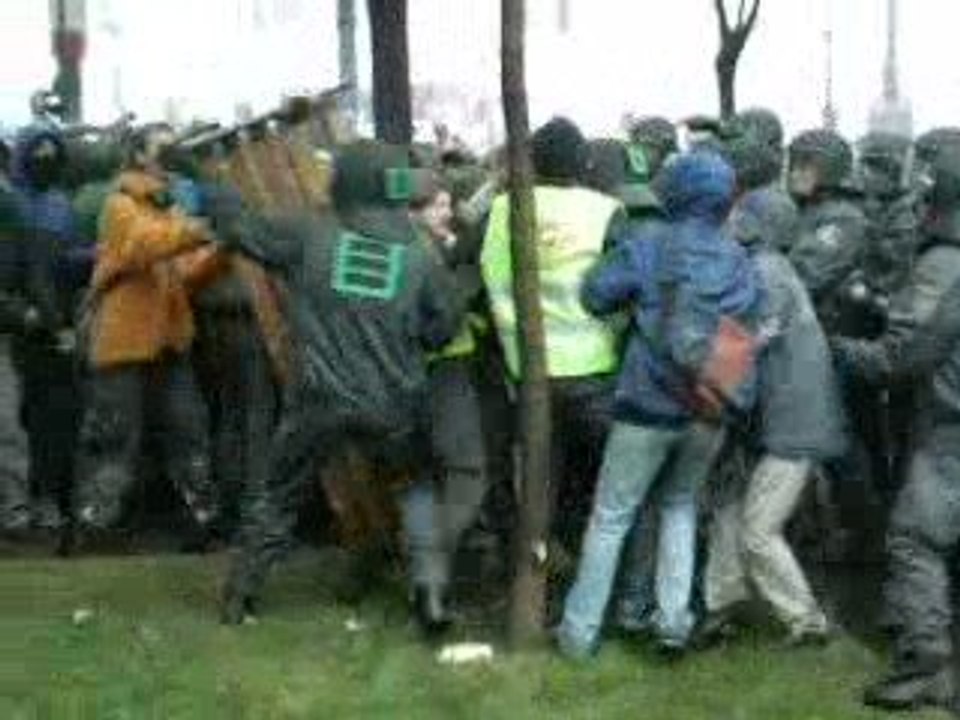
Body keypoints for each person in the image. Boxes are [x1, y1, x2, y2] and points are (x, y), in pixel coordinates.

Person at [206, 141, 465, 634]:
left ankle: (239, 598)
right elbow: (444, 325)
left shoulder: (309, 234)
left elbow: (240, 231)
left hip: (317, 399)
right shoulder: (421, 253)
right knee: (416, 489)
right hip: (393, 400)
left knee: (278, 495)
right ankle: (431, 598)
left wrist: (215, 187)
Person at [556, 150, 762, 658]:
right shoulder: (739, 258)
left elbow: (594, 294)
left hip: (646, 403)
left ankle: (577, 635)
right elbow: (744, 329)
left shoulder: (646, 245)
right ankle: (673, 623)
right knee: (680, 509)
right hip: (709, 407)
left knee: (610, 517)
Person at [832, 141, 960, 713]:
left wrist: (835, 346)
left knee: (914, 538)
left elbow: (901, 358)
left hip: (950, 429)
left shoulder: (944, 262)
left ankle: (925, 666)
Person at [702, 149, 847, 646]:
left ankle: (806, 623)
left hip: (794, 426)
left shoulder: (764, 272)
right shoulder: (772, 266)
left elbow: (740, 345)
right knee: (727, 505)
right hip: (775, 421)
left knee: (757, 529)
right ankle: (722, 604)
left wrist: (703, 390)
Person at [482, 117, 626, 581]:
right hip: (594, 375)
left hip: (526, 375)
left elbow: (465, 268)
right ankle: (608, 577)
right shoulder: (605, 211)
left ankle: (535, 578)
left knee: (541, 484)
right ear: (583, 163)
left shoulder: (501, 209)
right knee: (611, 480)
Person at [74, 124, 217, 534]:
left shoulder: (164, 209)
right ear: (138, 156)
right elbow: (142, 246)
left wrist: (220, 247)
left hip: (166, 338)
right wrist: (198, 230)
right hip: (124, 339)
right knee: (115, 436)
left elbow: (181, 269)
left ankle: (201, 515)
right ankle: (96, 520)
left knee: (188, 430)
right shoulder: (120, 205)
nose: (171, 157)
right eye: (163, 148)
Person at [8, 122, 90, 533]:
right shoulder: (12, 203)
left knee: (55, 417)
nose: (45, 161)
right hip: (21, 324)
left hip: (54, 320)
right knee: (19, 418)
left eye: (51, 155)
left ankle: (50, 499)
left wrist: (92, 257)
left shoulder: (61, 204)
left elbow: (66, 263)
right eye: (37, 155)